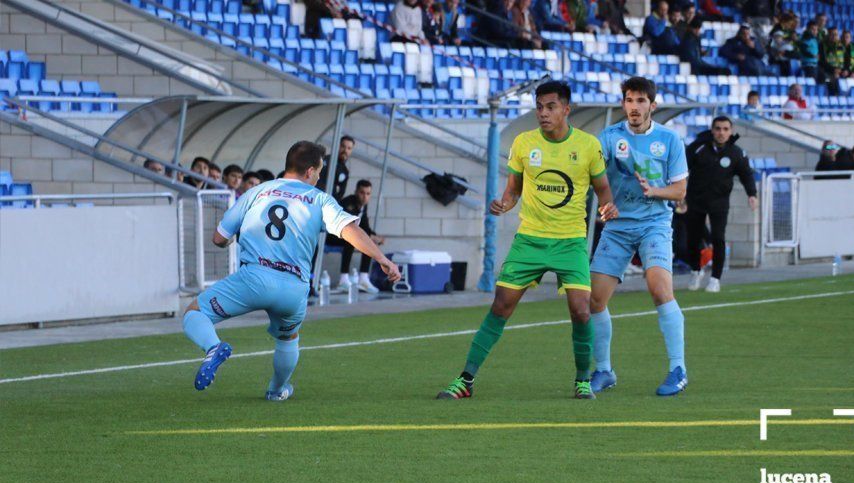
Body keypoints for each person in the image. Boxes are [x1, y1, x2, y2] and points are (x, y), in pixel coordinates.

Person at [436, 80, 618, 400]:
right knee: (501, 305)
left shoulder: (588, 146)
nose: (543, 113)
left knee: (581, 310)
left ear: (566, 109)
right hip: (530, 240)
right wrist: (504, 203)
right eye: (539, 107)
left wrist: (606, 206)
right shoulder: (523, 143)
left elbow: (602, 187)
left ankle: (582, 380)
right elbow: (513, 189)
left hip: (570, 241)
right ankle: (466, 380)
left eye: (550, 107)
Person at [181, 141, 400, 401]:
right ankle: (276, 389)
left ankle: (213, 347)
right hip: (294, 288)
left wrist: (233, 239)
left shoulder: (258, 191)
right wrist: (381, 258)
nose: (319, 178)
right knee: (288, 339)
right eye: (319, 172)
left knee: (195, 312)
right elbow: (350, 231)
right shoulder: (319, 199)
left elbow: (219, 238)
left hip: (254, 278)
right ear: (309, 171)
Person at [588, 77, 689, 397]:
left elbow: (679, 190)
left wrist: (654, 191)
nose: (634, 107)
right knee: (594, 299)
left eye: (641, 101)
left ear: (652, 106)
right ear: (623, 104)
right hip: (617, 227)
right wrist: (603, 202)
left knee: (659, 289)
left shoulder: (670, 140)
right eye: (629, 101)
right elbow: (592, 170)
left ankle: (678, 369)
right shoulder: (609, 137)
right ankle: (604, 370)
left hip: (655, 224)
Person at [685, 117, 757, 293]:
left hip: (719, 202)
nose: (721, 132)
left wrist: (752, 194)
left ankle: (715, 279)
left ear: (730, 131)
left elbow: (746, 174)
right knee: (692, 239)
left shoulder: (736, 153)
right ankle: (695, 271)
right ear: (712, 130)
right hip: (695, 199)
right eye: (718, 129)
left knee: (718, 238)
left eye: (725, 129)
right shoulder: (698, 148)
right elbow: (682, 168)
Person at [329, 180, 386, 293]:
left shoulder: (363, 207)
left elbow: (365, 227)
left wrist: (376, 237)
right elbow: (348, 227)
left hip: (347, 235)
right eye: (362, 193)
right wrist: (372, 236)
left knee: (369, 241)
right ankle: (343, 279)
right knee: (351, 239)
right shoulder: (348, 204)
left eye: (368, 194)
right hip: (332, 235)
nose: (365, 197)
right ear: (356, 192)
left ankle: (363, 278)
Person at [318, 135, 354, 203]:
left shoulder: (345, 171)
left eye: (349, 148)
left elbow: (341, 193)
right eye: (343, 146)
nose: (345, 150)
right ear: (338, 146)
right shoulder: (324, 160)